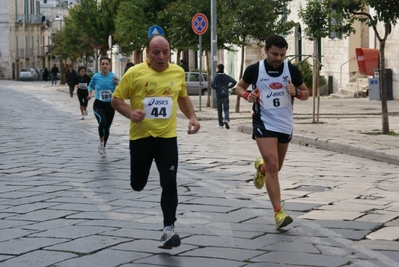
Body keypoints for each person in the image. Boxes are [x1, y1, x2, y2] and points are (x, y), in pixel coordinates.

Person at [111, 34, 200, 250]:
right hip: (141, 138)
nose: (161, 57)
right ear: (147, 54)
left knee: (169, 182)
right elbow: (116, 99)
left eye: (165, 51)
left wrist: (192, 117)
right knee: (137, 184)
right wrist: (131, 113)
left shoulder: (177, 72)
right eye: (156, 52)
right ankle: (138, 181)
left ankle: (168, 228)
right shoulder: (134, 73)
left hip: (167, 138)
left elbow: (182, 97)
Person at [235, 35, 309, 230]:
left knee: (275, 167)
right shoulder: (254, 70)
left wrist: (297, 92)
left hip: (284, 123)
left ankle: (261, 169)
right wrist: (246, 95)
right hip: (263, 122)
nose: (278, 58)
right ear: (266, 50)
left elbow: (306, 94)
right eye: (275, 54)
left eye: (282, 55)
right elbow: (239, 86)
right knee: (273, 164)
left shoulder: (291, 70)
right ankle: (278, 213)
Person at [88, 57, 119, 157]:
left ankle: (103, 146)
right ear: (100, 65)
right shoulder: (96, 76)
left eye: (106, 64)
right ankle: (101, 143)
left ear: (109, 66)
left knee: (107, 128)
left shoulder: (114, 77)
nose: (105, 65)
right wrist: (89, 93)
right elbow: (90, 85)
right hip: (99, 104)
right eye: (103, 64)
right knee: (103, 122)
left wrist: (117, 83)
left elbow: (122, 87)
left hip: (110, 105)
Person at [210, 64, 237, 129]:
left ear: (218, 69)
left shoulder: (216, 77)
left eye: (216, 68)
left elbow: (212, 84)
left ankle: (220, 124)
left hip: (219, 95)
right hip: (225, 94)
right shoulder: (227, 77)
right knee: (226, 109)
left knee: (219, 110)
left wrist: (215, 88)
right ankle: (226, 119)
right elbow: (234, 81)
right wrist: (228, 87)